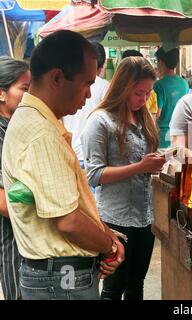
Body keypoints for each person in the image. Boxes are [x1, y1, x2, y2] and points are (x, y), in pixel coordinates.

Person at [1, 30, 124, 300]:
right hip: (61, 280)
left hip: (59, 277)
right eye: (86, 83)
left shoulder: (42, 121)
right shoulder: (39, 133)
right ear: (57, 78)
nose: (90, 94)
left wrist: (106, 235)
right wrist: (108, 245)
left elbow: (75, 202)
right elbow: (68, 221)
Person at [81, 56, 165, 300]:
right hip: (115, 220)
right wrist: (140, 166)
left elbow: (143, 165)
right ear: (123, 87)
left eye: (148, 93)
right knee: (113, 288)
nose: (144, 99)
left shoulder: (143, 119)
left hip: (145, 217)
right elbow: (95, 174)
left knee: (136, 284)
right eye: (139, 93)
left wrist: (153, 165)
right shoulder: (100, 121)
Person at [0, 56, 30, 300]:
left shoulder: (16, 128)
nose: (29, 96)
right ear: (1, 94)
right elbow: (3, 200)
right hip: (11, 238)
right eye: (24, 89)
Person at [62, 42, 110, 166]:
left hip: (69, 151)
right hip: (91, 154)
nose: (88, 94)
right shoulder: (105, 86)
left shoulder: (67, 84)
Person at [154, 47, 189, 148]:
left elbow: (157, 113)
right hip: (180, 136)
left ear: (160, 62)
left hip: (163, 138)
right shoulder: (184, 83)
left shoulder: (158, 85)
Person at [122, 49, 159, 120]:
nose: (144, 101)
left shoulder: (153, 94)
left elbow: (152, 120)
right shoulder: (103, 120)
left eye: (148, 93)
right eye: (138, 94)